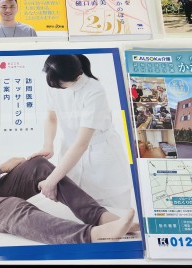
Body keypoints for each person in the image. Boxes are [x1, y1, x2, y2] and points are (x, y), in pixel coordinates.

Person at [0, 116, 135, 245]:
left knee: (38, 165)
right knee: (14, 206)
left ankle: (99, 216)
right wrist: (0, 168)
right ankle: (92, 235)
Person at [32, 54, 133, 209]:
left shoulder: (94, 91)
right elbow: (51, 118)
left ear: (77, 76)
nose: (56, 88)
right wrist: (48, 145)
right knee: (75, 206)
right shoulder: (55, 82)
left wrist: (51, 181)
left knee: (113, 208)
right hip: (70, 153)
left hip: (99, 154)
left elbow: (81, 144)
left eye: (61, 85)